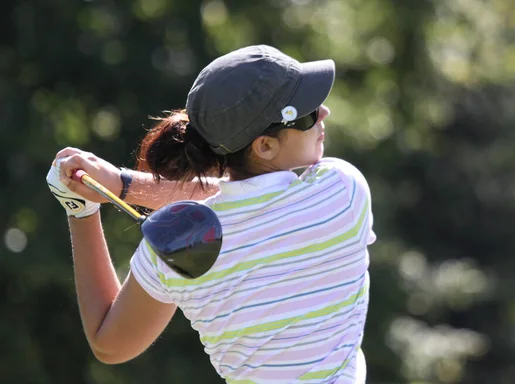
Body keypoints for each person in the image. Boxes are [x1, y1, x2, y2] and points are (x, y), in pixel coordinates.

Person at [47, 45, 376, 383]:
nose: (323, 112)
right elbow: (246, 198)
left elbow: (110, 345)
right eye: (308, 114)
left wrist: (81, 210)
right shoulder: (343, 191)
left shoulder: (178, 244)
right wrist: (121, 185)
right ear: (264, 146)